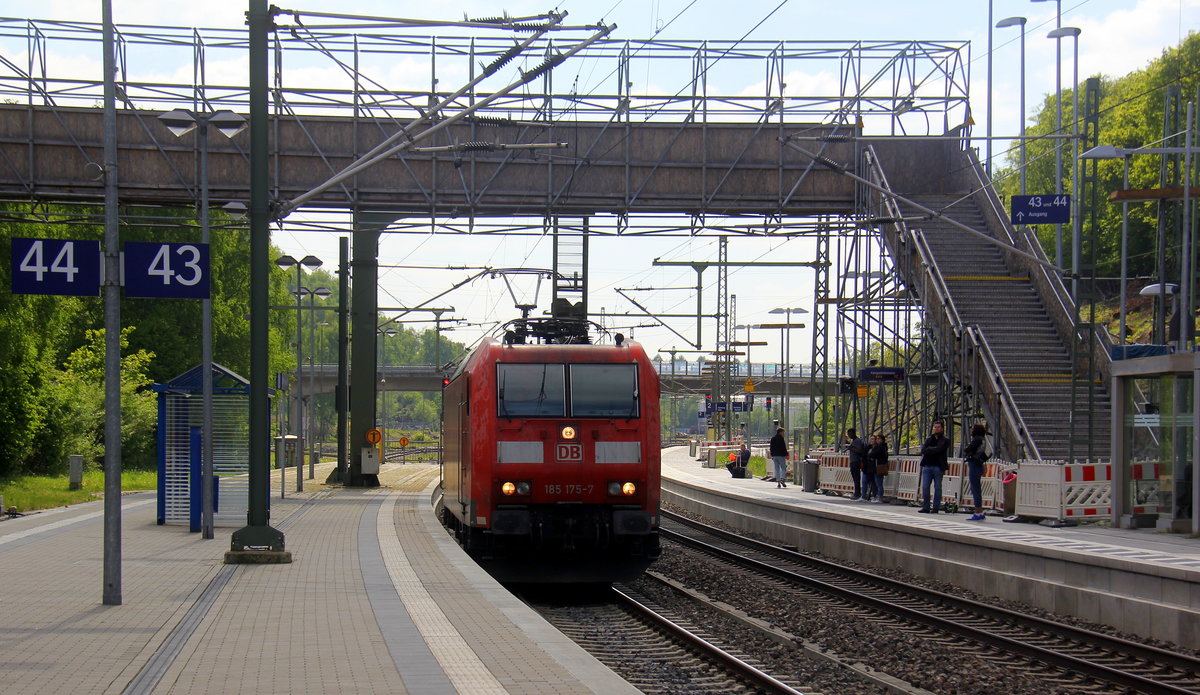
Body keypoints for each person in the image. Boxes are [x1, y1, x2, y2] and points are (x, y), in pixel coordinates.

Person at [918, 421, 949, 513]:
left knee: (938, 487)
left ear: (942, 428)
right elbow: (923, 450)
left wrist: (930, 449)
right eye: (935, 427)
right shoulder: (929, 439)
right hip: (928, 465)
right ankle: (926, 506)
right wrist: (931, 449)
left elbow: (940, 449)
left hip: (938, 466)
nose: (936, 429)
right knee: (925, 487)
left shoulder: (945, 440)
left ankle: (936, 507)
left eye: (938, 427)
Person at [963, 423, 988, 520]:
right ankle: (980, 511)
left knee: (975, 488)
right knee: (977, 488)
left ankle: (978, 511)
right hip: (979, 464)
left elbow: (968, 449)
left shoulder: (977, 439)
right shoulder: (982, 439)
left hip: (974, 464)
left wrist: (968, 450)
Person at [843, 428, 867, 500]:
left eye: (850, 434)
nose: (849, 435)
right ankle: (856, 492)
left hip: (856, 461)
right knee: (854, 477)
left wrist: (852, 448)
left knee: (856, 478)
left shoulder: (857, 441)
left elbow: (860, 451)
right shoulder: (853, 441)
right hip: (853, 461)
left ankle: (857, 493)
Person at [868, 433, 889, 503]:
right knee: (876, 482)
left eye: (878, 439)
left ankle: (880, 497)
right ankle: (877, 496)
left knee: (879, 482)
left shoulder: (881, 447)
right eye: (876, 438)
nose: (877, 440)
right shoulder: (878, 447)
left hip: (879, 466)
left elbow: (874, 454)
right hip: (876, 466)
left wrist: (871, 455)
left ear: (882, 440)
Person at [860, 435, 878, 501]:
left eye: (873, 439)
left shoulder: (877, 448)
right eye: (871, 439)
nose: (871, 440)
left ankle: (874, 495)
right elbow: (863, 456)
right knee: (864, 481)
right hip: (866, 467)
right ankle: (863, 496)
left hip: (873, 467)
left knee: (874, 482)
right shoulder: (867, 448)